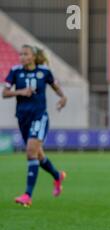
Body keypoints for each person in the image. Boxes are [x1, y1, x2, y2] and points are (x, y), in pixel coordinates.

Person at [2, 45, 67, 208]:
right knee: (38, 155)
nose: (22, 57)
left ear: (33, 57)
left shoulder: (44, 71)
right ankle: (58, 175)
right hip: (23, 118)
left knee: (30, 152)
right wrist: (21, 92)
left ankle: (27, 195)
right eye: (21, 54)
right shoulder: (15, 71)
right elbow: (4, 93)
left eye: (26, 54)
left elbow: (56, 87)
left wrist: (63, 98)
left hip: (39, 117)